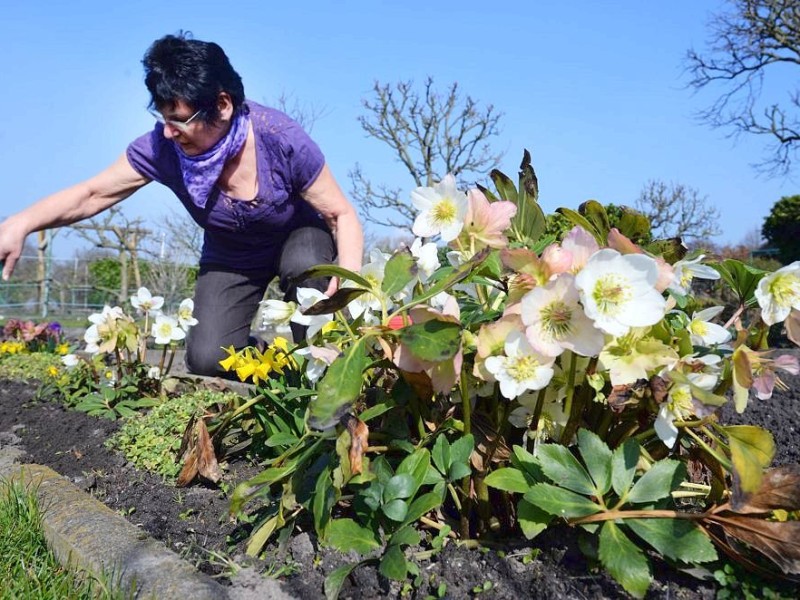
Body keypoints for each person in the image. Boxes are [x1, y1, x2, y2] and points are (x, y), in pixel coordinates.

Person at [0, 33, 363, 376]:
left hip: (297, 235)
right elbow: (93, 193)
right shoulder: (163, 148)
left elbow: (340, 214)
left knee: (307, 269)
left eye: (180, 120)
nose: (169, 131)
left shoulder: (280, 139)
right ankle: (276, 364)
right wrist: (21, 223)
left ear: (222, 105)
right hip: (233, 252)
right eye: (163, 119)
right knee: (208, 358)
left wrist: (347, 292)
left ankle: (323, 369)